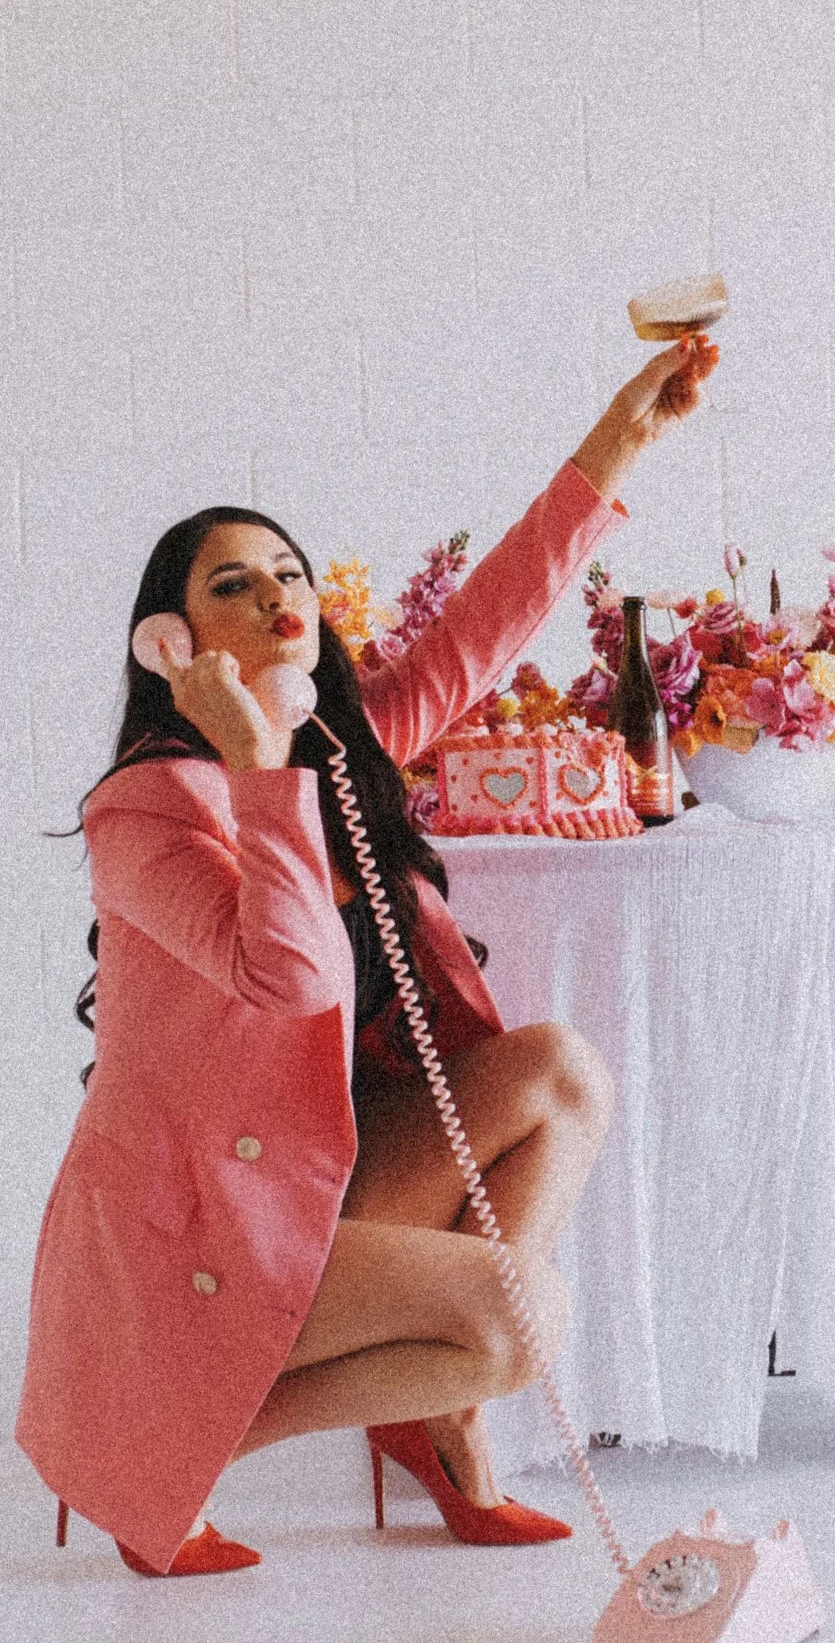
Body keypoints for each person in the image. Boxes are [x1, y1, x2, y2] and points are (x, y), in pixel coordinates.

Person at [16, 333, 719, 1577]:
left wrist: (624, 434)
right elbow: (286, 973)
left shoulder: (345, 750)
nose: (278, 596)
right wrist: (255, 770)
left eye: (287, 573)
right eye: (232, 585)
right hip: (205, 1233)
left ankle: (435, 1410)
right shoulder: (145, 814)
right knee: (521, 1314)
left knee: (558, 1070)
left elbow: (489, 623)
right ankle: (169, 1458)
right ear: (168, 642)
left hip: (311, 1179)